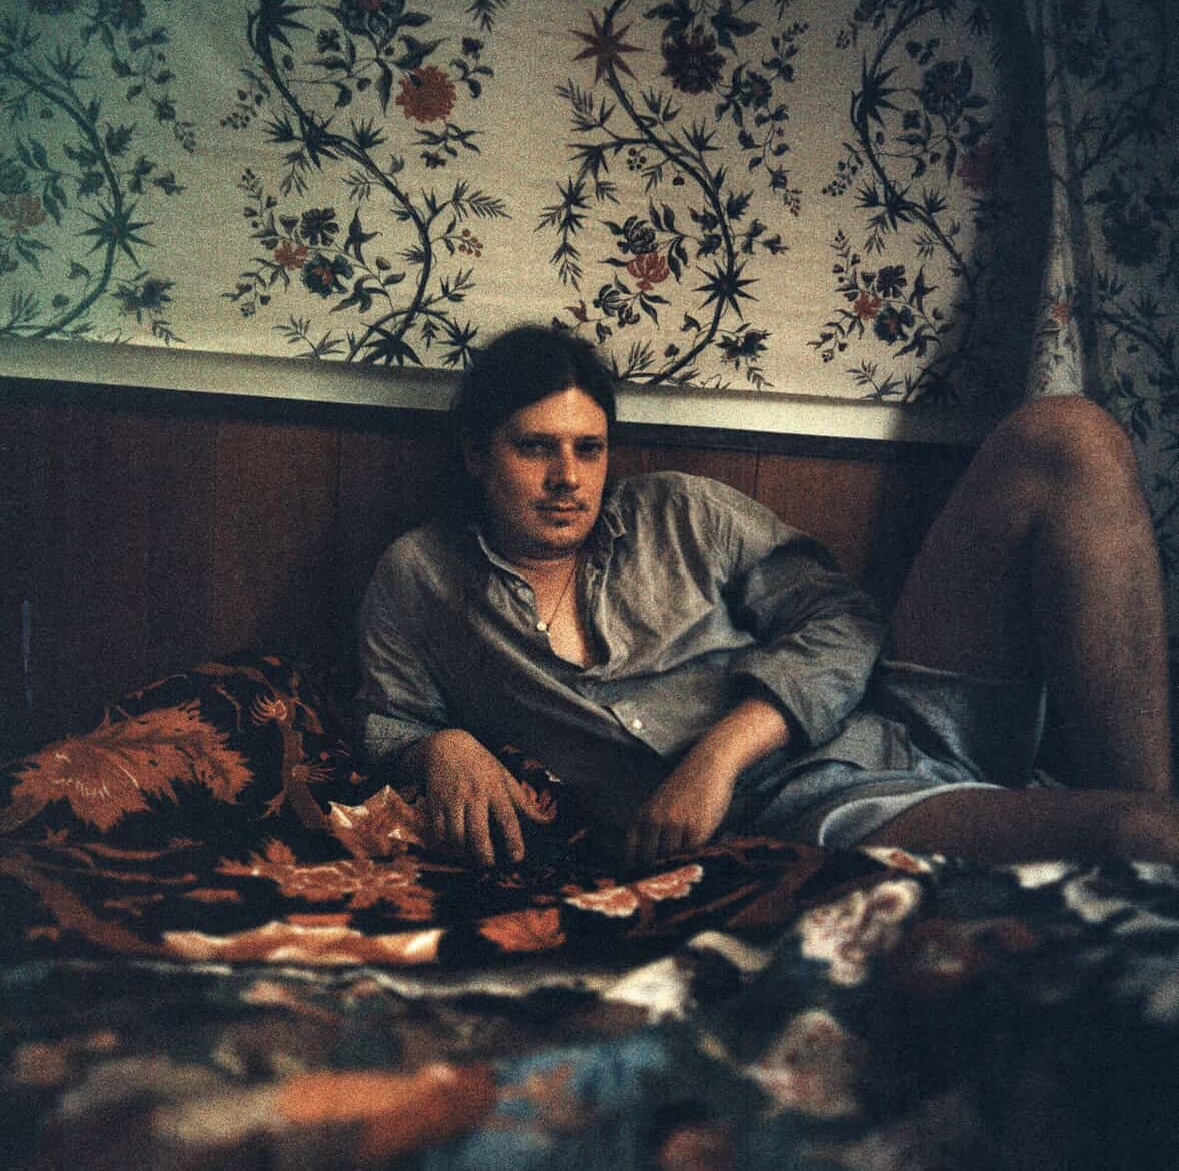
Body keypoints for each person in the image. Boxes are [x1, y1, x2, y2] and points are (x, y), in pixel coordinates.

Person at [356, 324, 1178, 870]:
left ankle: (1148, 783)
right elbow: (387, 718)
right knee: (1140, 838)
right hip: (816, 799)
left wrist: (718, 752)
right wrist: (443, 746)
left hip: (899, 707)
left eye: (589, 448)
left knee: (1067, 432)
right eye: (535, 448)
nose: (568, 478)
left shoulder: (683, 512)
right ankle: (1142, 827)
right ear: (476, 454)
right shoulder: (420, 576)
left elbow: (842, 617)